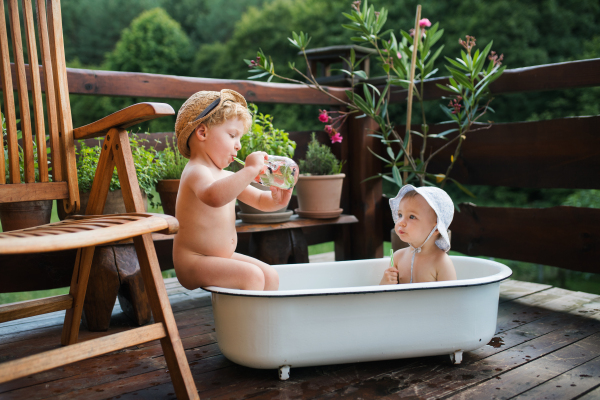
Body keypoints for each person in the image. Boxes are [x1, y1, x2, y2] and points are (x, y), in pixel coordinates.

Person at [172, 89, 291, 291]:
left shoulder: (225, 176)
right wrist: (250, 170)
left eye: (240, 138)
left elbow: (261, 201)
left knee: (270, 276)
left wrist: (279, 199)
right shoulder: (196, 171)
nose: (238, 146)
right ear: (202, 133)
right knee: (252, 277)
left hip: (219, 258)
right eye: (232, 135)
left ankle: (263, 322)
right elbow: (214, 196)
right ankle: (246, 323)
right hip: (194, 261)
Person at [380, 184, 457, 285]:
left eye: (412, 217)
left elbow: (451, 297)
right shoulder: (397, 257)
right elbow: (386, 297)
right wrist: (385, 283)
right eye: (400, 215)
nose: (400, 222)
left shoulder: (441, 263)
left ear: (436, 228)